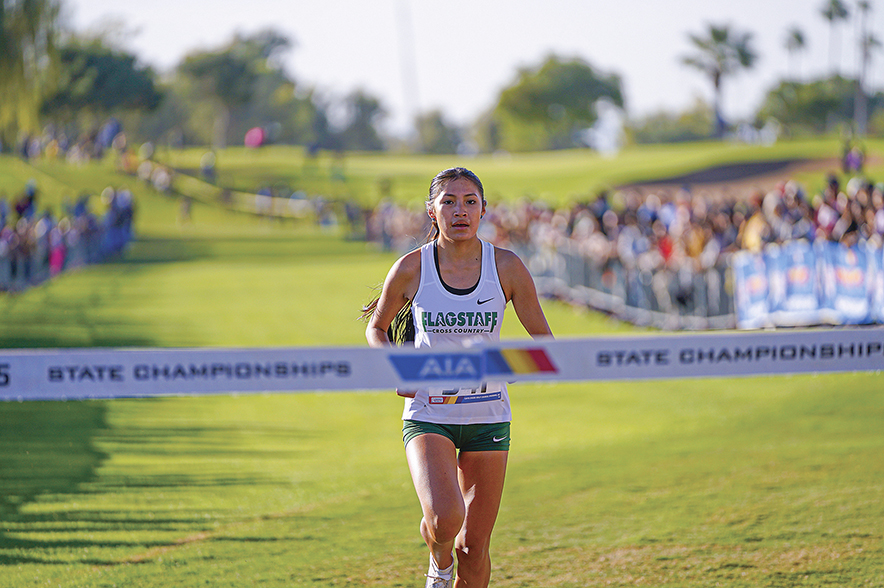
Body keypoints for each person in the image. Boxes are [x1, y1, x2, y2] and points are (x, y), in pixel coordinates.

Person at [364, 167, 553, 588]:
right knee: (445, 517)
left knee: (474, 546)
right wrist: (398, 365)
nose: (460, 210)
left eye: (470, 201)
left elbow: (544, 344)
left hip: (488, 416)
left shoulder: (506, 267)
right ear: (432, 212)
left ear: (484, 210)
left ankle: (449, 558)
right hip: (429, 411)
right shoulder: (411, 268)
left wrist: (504, 367)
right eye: (448, 201)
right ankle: (437, 561)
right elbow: (375, 328)